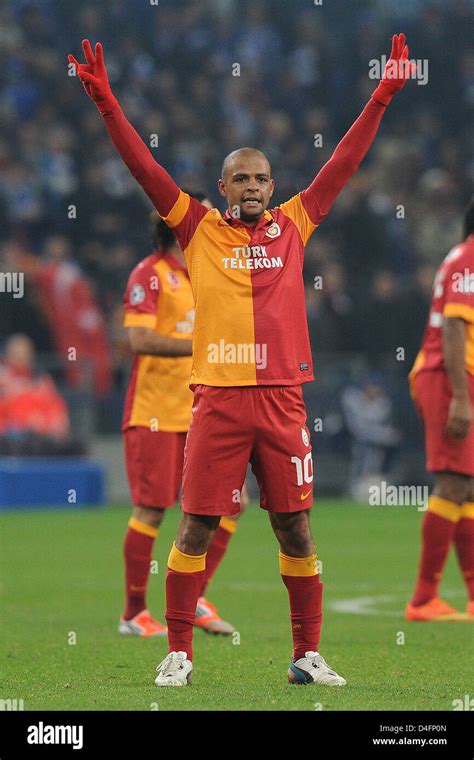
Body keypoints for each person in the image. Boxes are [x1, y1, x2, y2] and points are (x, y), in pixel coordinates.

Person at [69, 33, 415, 687]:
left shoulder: (296, 222)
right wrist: (108, 105)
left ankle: (306, 655)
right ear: (224, 185)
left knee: (296, 528)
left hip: (283, 398)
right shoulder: (197, 228)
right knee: (196, 524)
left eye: (262, 178)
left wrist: (382, 95)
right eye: (242, 178)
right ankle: (178, 652)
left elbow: (342, 162)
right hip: (219, 399)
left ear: (271, 185)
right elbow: (146, 169)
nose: (253, 186)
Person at [120, 198, 241, 637]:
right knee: (152, 509)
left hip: (201, 414)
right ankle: (134, 613)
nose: (214, 220)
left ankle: (197, 598)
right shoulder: (149, 274)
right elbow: (138, 338)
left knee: (231, 504)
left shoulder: (207, 275)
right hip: (154, 413)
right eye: (205, 212)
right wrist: (200, 346)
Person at [406, 198, 474, 622]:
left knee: (466, 489)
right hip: (448, 379)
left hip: (457, 378)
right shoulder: (468, 260)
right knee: (452, 483)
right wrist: (462, 397)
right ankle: (423, 599)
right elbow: (453, 328)